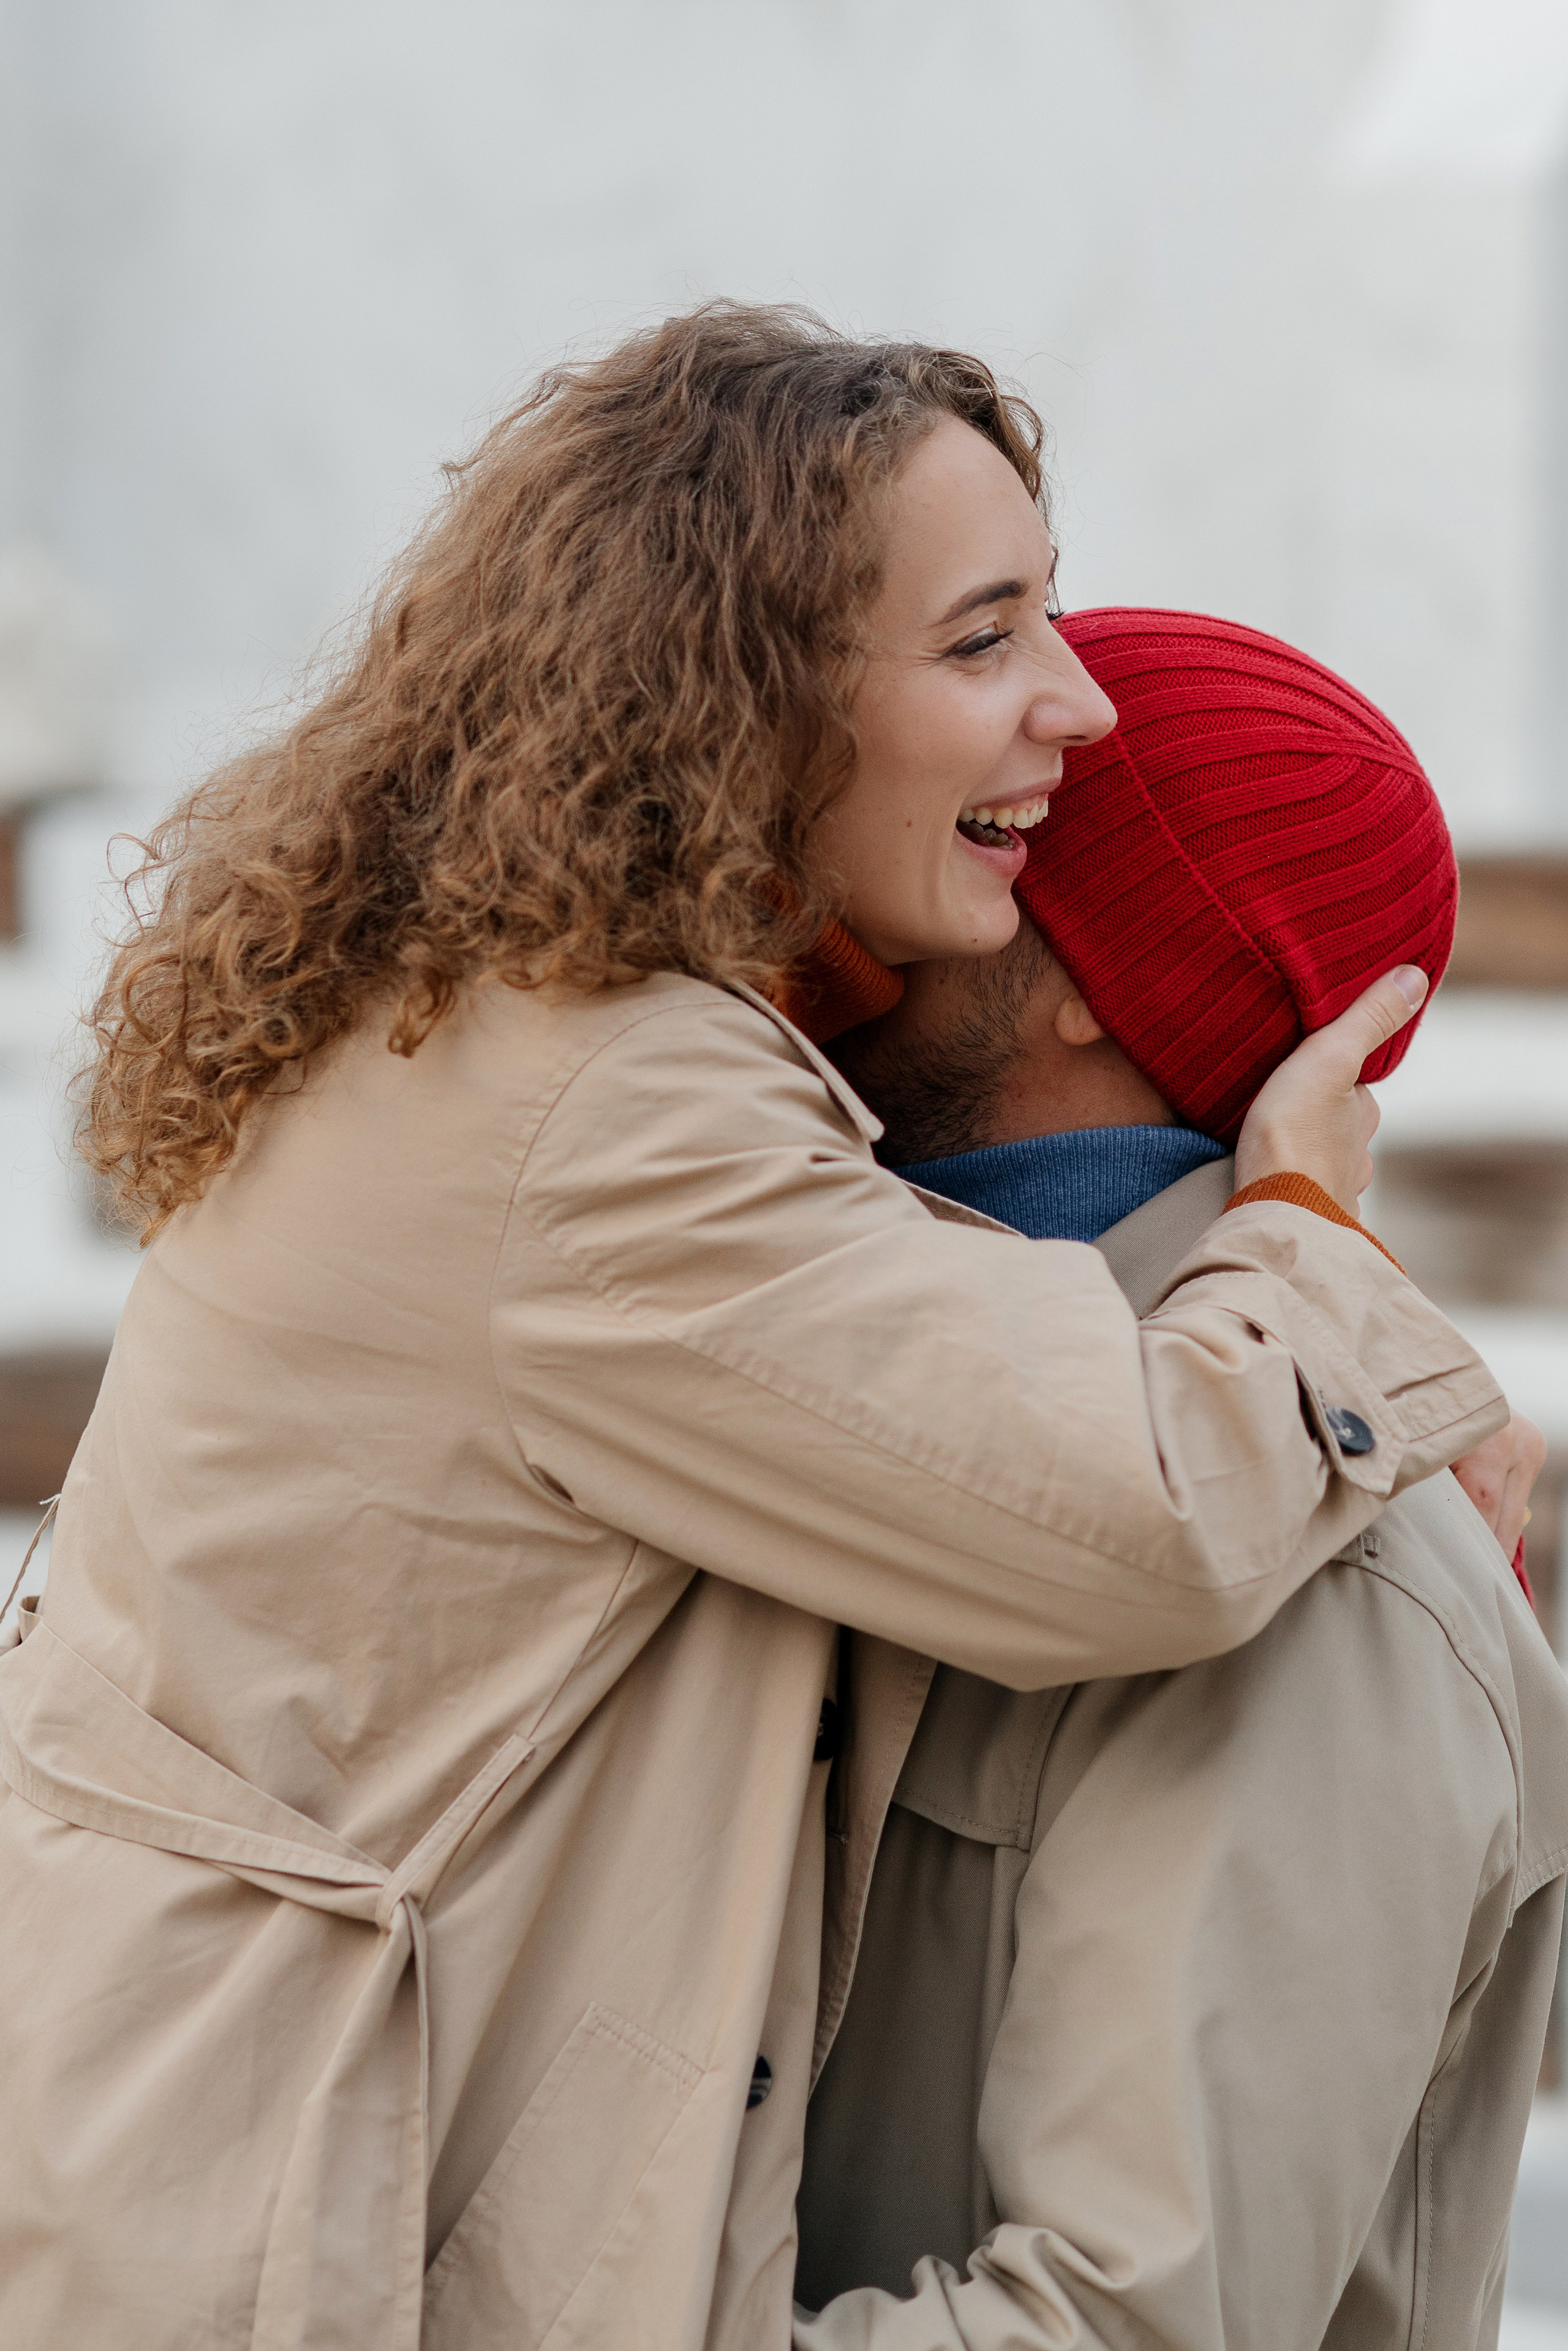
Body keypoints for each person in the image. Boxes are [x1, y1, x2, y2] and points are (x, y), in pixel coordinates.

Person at [0, 316, 1506, 2351]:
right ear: (758, 694)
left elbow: (1137, 2305)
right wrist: (1323, 1248)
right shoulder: (619, 1108)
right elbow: (1150, 1514)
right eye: (985, 644)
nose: (1061, 701)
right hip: (267, 2241)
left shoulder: (520, 1022)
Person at [797, 608, 1568, 2350]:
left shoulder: (1325, 1584)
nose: (833, 898)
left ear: (1087, 977)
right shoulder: (889, 1413)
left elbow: (1118, 2327)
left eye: (992, 845)